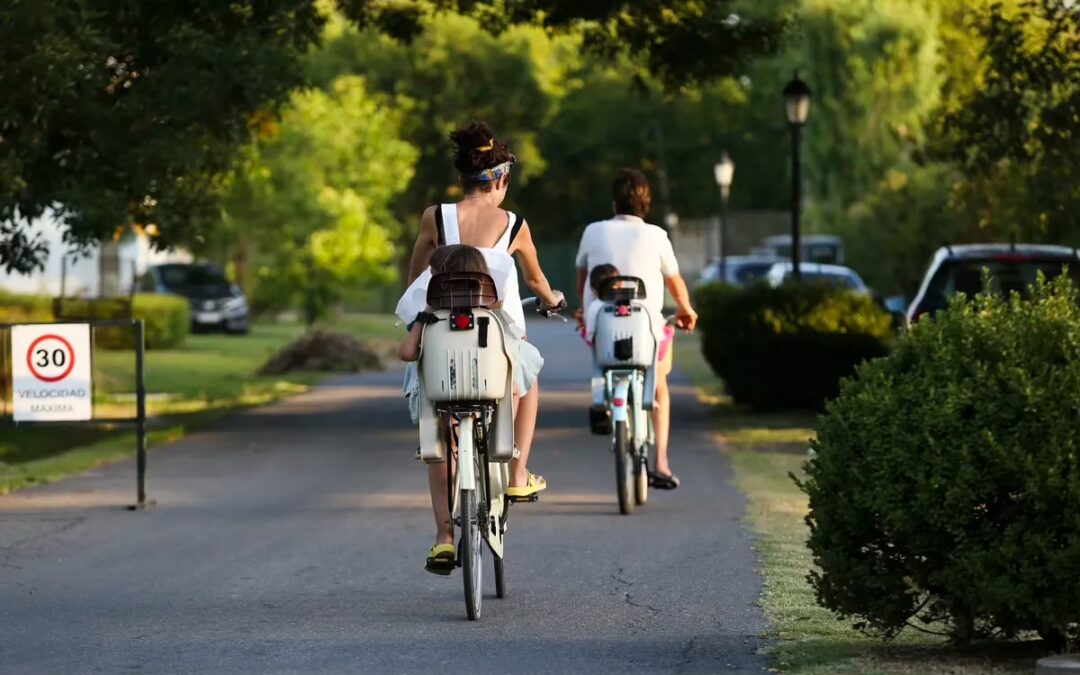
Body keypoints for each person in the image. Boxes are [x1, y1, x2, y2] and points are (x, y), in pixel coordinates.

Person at [396, 121, 564, 570]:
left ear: (463, 178)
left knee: (437, 430)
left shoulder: (435, 217)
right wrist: (553, 300)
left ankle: (443, 535)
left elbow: (415, 275)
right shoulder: (514, 224)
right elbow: (536, 280)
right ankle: (517, 473)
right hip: (494, 344)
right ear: (501, 179)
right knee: (527, 383)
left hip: (440, 344)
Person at [399, 244, 544, 574]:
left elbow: (406, 353)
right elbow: (514, 353)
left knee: (438, 451)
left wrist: (423, 320)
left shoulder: (429, 318)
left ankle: (444, 534)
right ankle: (516, 471)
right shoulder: (492, 317)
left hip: (440, 400)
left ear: (436, 282)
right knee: (526, 373)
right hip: (487, 392)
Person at [574, 168, 698, 489]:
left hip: (602, 324)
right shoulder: (656, 235)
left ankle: (601, 400)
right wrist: (686, 310)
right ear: (647, 203)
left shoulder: (593, 231)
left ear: (614, 202)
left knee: (604, 360)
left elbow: (583, 280)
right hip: (648, 330)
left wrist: (585, 311)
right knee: (659, 385)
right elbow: (675, 282)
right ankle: (661, 462)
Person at [579, 263, 620, 346]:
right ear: (620, 284)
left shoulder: (594, 307)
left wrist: (582, 330)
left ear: (593, 290)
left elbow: (590, 338)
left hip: (604, 355)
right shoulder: (632, 304)